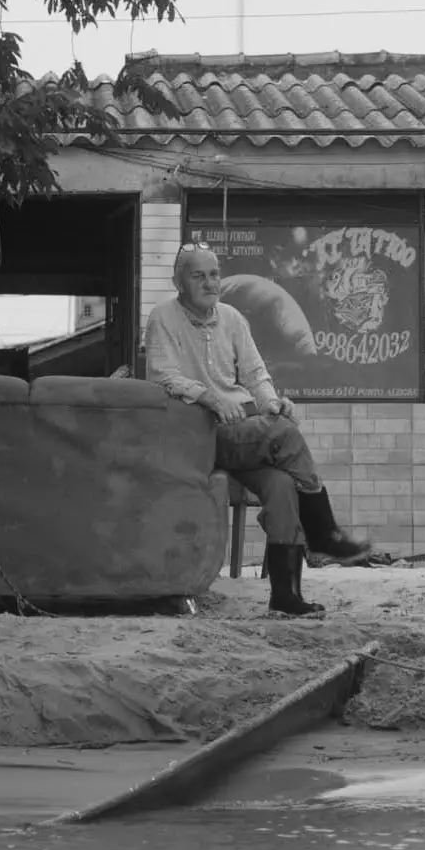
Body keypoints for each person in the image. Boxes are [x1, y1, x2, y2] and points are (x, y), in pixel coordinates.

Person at [144, 242, 371, 616]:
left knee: (282, 485)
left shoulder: (232, 317)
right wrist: (212, 399)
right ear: (178, 282)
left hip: (237, 432)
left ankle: (286, 596)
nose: (209, 282)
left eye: (214, 274)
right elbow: (162, 375)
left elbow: (254, 374)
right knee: (283, 433)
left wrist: (271, 403)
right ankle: (323, 533)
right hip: (196, 434)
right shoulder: (163, 318)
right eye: (197, 275)